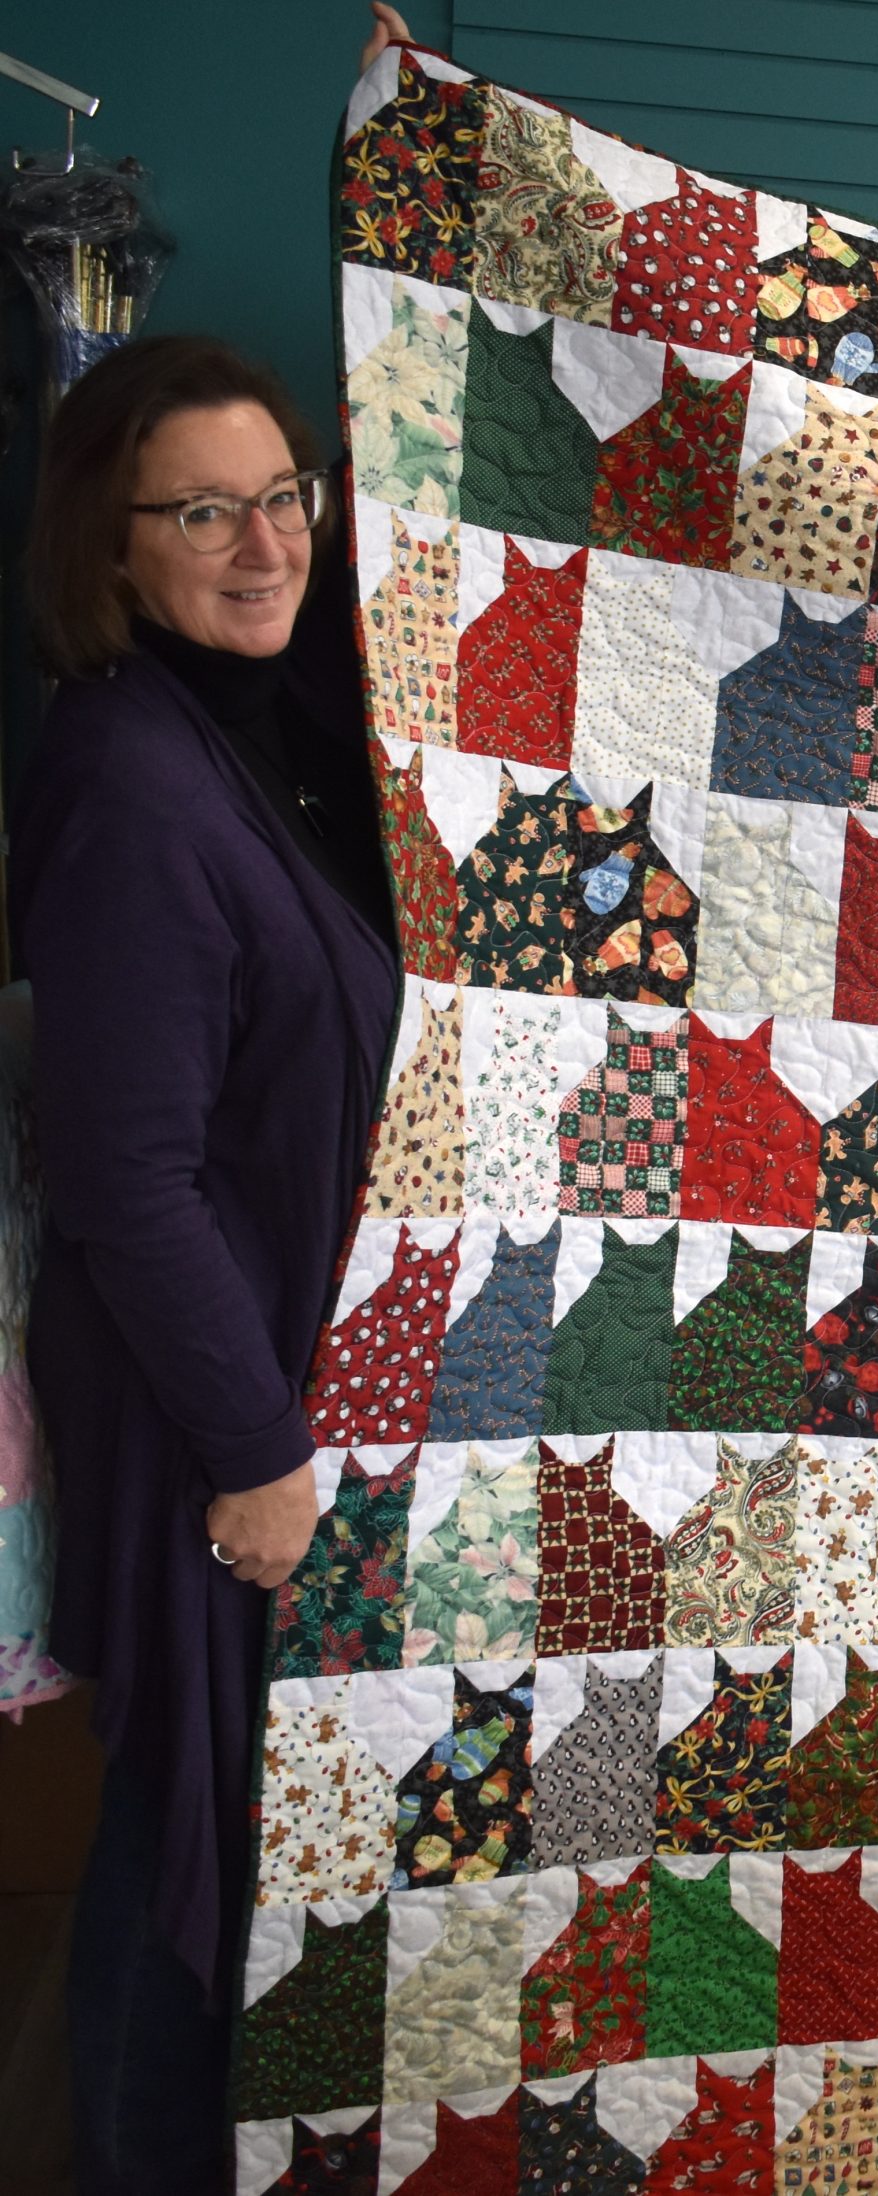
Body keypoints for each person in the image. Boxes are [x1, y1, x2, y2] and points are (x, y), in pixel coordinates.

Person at [19, 331, 400, 2191]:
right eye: (202, 515)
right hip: (208, 1402)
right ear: (110, 547)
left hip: (282, 1376)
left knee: (238, 1814)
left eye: (284, 497)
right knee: (197, 1827)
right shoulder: (134, 787)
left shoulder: (260, 721)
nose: (266, 546)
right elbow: (127, 1177)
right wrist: (254, 1453)